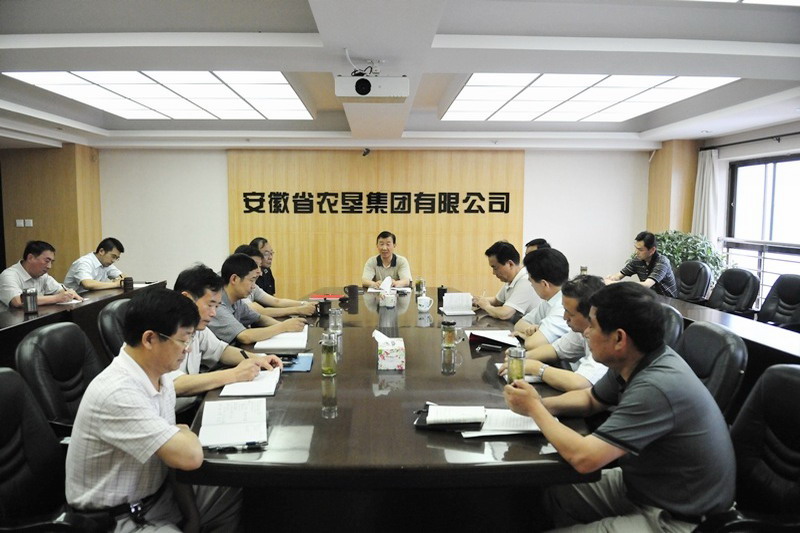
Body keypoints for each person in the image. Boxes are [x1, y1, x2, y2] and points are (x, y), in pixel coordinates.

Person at [504, 283, 735, 531]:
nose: (586, 332)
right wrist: (540, 403)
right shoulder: (635, 359)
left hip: (678, 517)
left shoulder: (656, 386)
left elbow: (584, 458)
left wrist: (535, 410)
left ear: (619, 338)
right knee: (548, 491)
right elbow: (591, 400)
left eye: (593, 325)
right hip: (642, 485)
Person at [65, 288, 241, 531]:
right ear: (149, 339)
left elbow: (174, 462)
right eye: (184, 340)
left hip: (158, 497)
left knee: (233, 488)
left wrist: (192, 517)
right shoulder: (118, 392)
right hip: (118, 519)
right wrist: (181, 432)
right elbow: (188, 457)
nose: (188, 349)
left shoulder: (160, 376)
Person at [169, 264, 283, 412]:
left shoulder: (197, 328)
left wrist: (259, 359)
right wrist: (234, 374)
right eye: (210, 305)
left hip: (192, 406)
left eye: (216, 306)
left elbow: (221, 351)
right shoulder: (162, 330)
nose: (213, 313)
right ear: (187, 299)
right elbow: (174, 384)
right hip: (175, 414)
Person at [499, 275, 608, 392]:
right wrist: (520, 358)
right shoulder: (581, 331)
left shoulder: (607, 338)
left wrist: (537, 368)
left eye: (570, 314)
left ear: (591, 314)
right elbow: (555, 350)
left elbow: (580, 383)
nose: (565, 317)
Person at [208, 253, 306, 345]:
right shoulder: (216, 305)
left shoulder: (237, 301)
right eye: (251, 280)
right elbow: (245, 336)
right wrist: (283, 327)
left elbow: (259, 318)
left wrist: (288, 325)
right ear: (234, 279)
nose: (254, 286)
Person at [233, 245, 316, 318]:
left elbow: (276, 301)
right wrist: (297, 310)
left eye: (259, 266)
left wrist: (304, 304)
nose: (259, 271)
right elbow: (260, 312)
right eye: (254, 266)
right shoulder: (237, 287)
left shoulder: (252, 285)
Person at [513, 248, 570, 350]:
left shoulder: (563, 306)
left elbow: (532, 344)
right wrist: (533, 331)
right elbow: (519, 324)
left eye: (531, 281)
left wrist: (527, 335)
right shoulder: (550, 300)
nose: (531, 285)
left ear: (544, 284)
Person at [0, 240, 82, 308]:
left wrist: (68, 293)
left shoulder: (42, 275)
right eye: (46, 261)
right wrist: (56, 298)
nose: (49, 266)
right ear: (30, 258)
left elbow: (60, 290)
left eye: (51, 262)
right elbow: (17, 301)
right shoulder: (9, 275)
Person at [472, 241, 538, 321]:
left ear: (510, 264)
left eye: (495, 268)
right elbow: (497, 300)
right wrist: (478, 300)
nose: (493, 273)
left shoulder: (526, 281)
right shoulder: (511, 279)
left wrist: (486, 306)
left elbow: (505, 314)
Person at [605, 231, 677, 297]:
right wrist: (611, 279)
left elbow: (646, 285)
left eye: (640, 250)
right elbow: (619, 276)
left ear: (652, 250)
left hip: (669, 301)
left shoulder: (662, 262)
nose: (636, 252)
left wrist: (615, 284)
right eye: (636, 248)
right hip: (651, 298)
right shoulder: (637, 260)